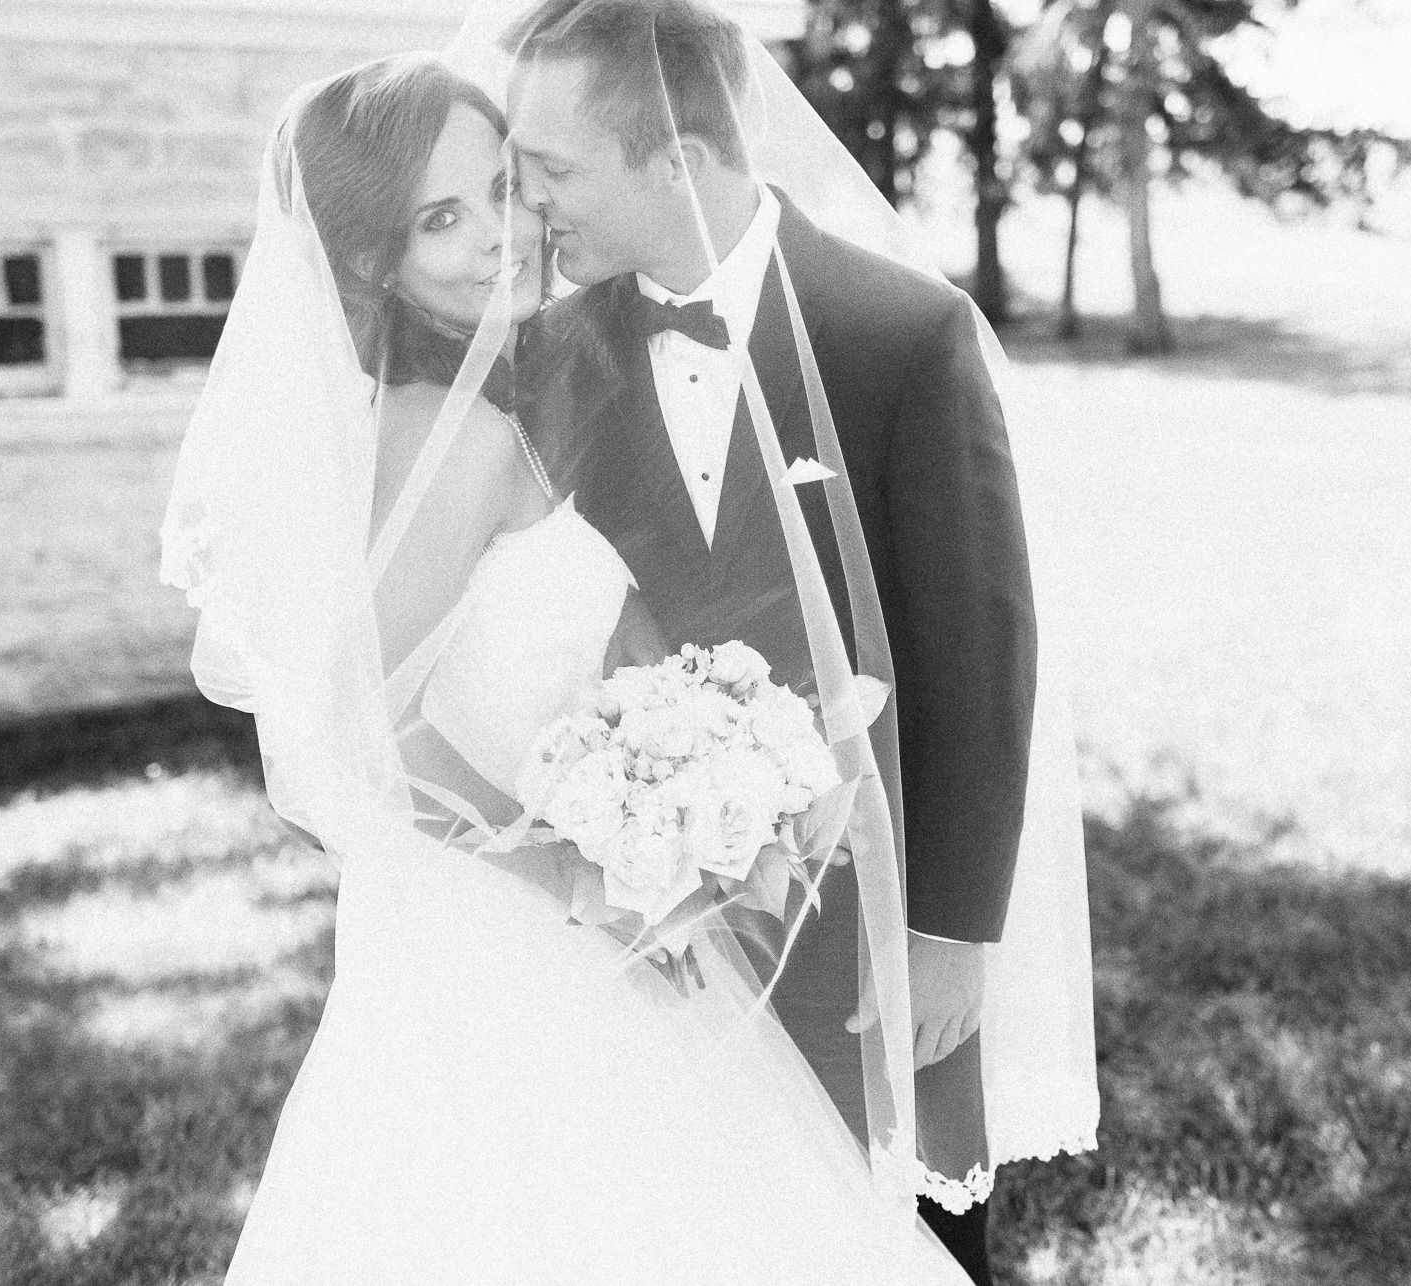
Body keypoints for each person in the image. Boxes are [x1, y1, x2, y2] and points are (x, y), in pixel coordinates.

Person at [162, 49, 1006, 1284]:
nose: (501, 233)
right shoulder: (448, 439)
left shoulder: (508, 387)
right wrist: (581, 867)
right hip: (515, 936)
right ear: (367, 260)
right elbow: (370, 724)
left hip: (559, 905)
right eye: (438, 218)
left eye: (505, 185)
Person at [499, 0, 1097, 1278]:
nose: (527, 198)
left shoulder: (901, 335)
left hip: (870, 920)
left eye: (553, 167)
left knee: (894, 1236)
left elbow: (982, 654)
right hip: (642, 914)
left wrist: (948, 929)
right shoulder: (546, 360)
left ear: (679, 157)